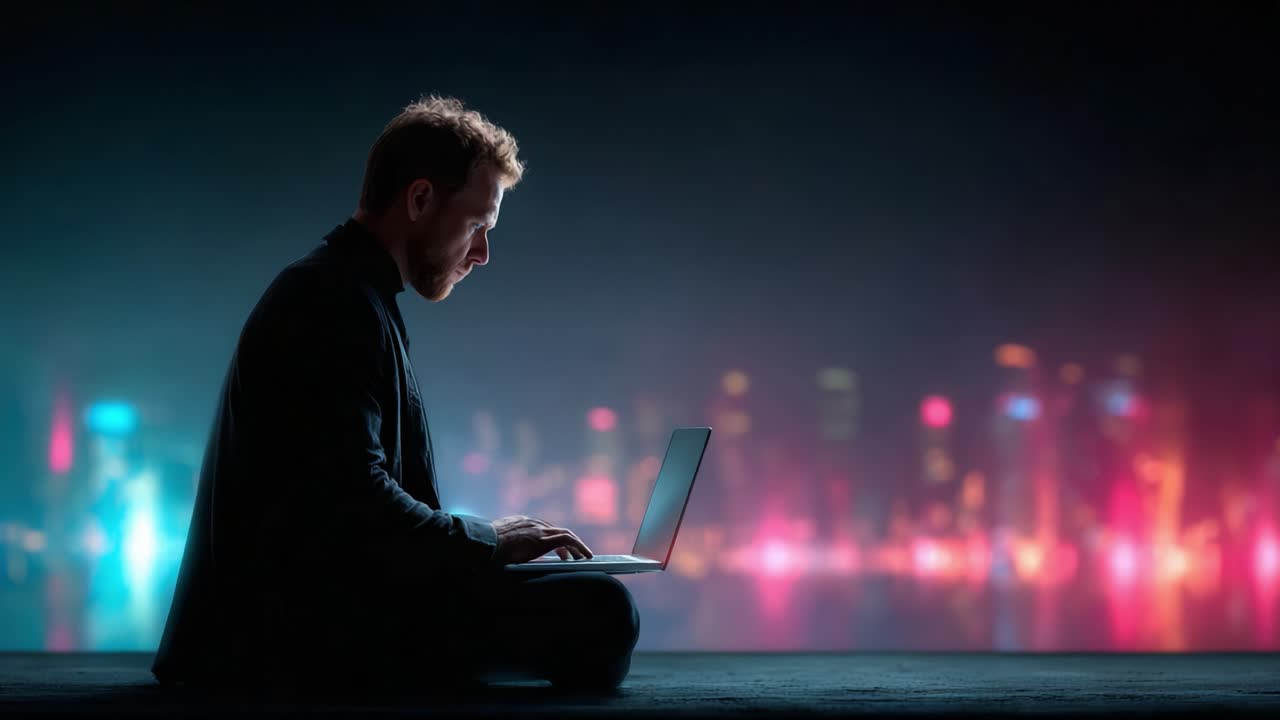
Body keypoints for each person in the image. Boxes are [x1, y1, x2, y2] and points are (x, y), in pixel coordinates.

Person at [152, 95, 640, 692]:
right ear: (419, 200)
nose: (483, 254)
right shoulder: (331, 303)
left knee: (590, 603)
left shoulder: (347, 293)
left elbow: (351, 503)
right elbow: (354, 508)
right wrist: (485, 539)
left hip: (308, 612)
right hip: (286, 637)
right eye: (477, 226)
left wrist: (486, 541)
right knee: (603, 611)